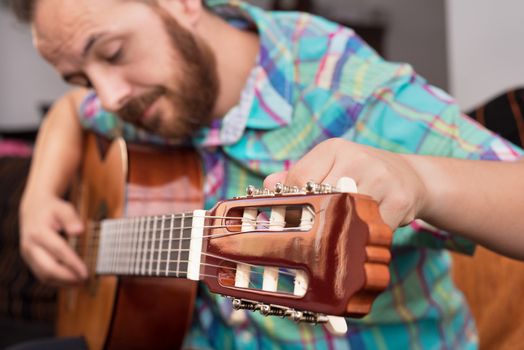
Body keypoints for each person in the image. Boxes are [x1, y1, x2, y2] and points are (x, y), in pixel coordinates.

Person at [10, 0, 524, 348]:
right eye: (82, 76)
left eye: (113, 53)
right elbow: (71, 112)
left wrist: (418, 179)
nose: (111, 97)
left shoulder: (347, 92)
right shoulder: (137, 98)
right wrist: (38, 197)